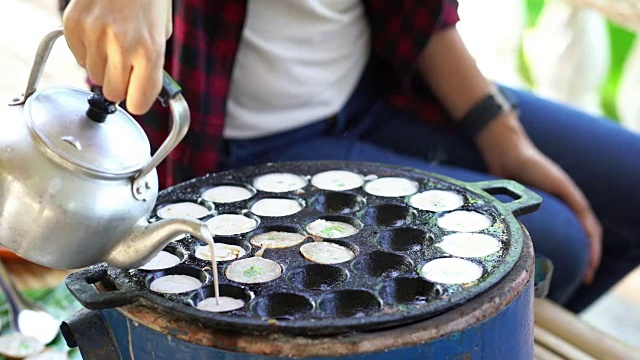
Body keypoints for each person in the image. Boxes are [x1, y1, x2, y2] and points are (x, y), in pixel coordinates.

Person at [61, 0, 640, 314]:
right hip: (244, 141)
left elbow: (419, 14)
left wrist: (502, 136)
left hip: (381, 87)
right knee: (551, 241)